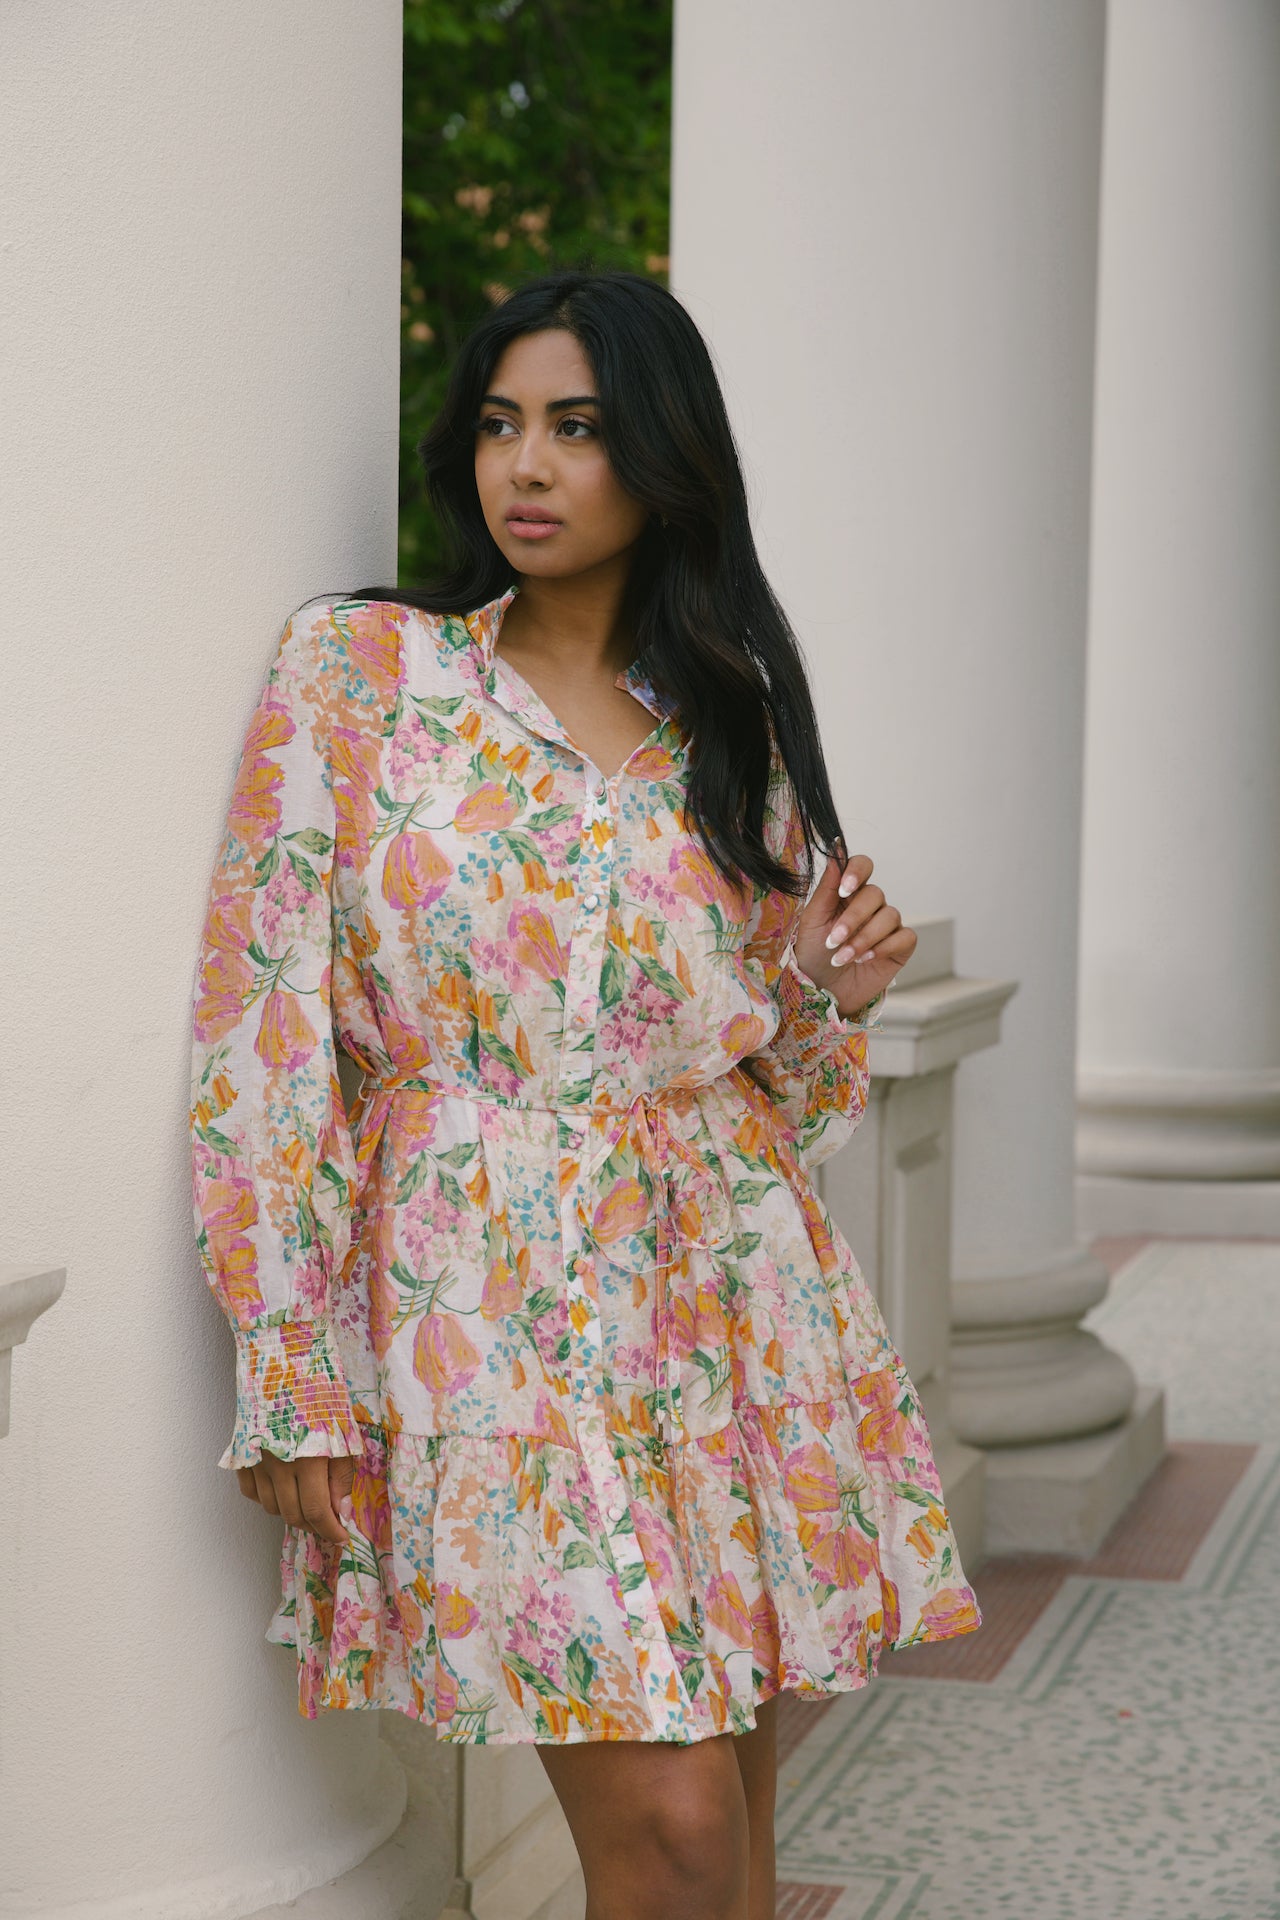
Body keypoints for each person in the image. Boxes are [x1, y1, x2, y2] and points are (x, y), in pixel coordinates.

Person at [189, 268, 981, 1920]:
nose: (526, 468)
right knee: (676, 1833)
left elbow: (772, 1082)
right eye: (499, 426)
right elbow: (263, 1031)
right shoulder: (361, 681)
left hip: (727, 1311)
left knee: (741, 1834)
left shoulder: (727, 724)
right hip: (480, 1311)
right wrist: (290, 1366)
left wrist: (830, 1002)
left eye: (578, 429)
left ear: (664, 459)